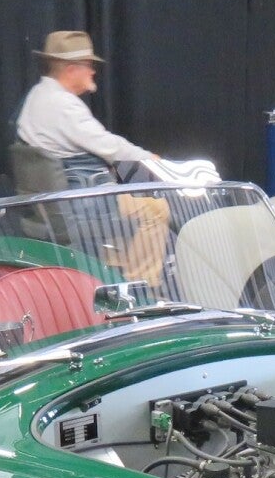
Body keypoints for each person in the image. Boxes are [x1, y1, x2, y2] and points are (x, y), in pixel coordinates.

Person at [13, 30, 171, 286]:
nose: (93, 71)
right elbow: (110, 147)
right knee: (155, 208)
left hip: (49, 207)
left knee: (129, 205)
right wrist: (152, 160)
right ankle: (140, 286)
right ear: (71, 69)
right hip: (78, 204)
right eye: (88, 65)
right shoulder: (64, 105)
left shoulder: (36, 96)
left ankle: (107, 278)